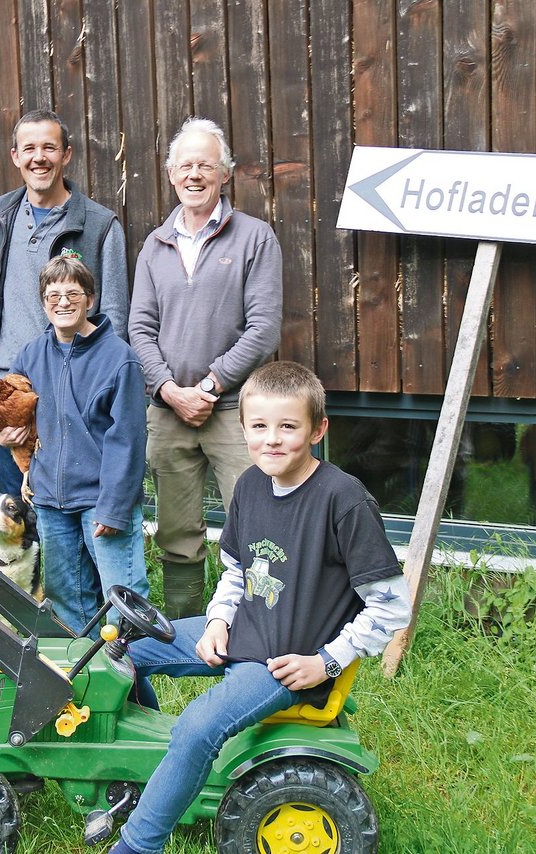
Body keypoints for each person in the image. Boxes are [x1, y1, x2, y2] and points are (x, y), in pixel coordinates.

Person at [107, 361, 411, 854]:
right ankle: (149, 777)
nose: (272, 440)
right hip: (242, 631)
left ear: (318, 429)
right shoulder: (249, 485)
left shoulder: (343, 500)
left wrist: (327, 662)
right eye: (259, 426)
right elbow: (235, 570)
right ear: (243, 427)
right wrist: (217, 621)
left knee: (198, 726)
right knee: (117, 652)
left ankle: (138, 844)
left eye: (288, 427)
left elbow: (392, 607)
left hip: (284, 663)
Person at [128, 117, 283, 619]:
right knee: (177, 530)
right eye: (186, 165)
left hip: (235, 411)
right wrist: (172, 391)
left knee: (258, 524)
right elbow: (139, 330)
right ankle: (185, 631)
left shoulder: (255, 238)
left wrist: (210, 385)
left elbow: (264, 329)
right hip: (168, 412)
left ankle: (262, 625)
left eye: (206, 165)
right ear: (171, 174)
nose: (195, 174)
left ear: (225, 174)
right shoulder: (155, 246)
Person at [0, 256, 148, 633]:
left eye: (72, 294)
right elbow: (15, 414)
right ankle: (83, 681)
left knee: (122, 598)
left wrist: (114, 508)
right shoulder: (31, 355)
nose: (62, 302)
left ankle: (133, 680)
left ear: (91, 300)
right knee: (66, 598)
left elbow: (127, 441)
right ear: (43, 301)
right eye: (53, 295)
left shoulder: (119, 359)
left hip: (102, 501)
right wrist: (8, 437)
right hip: (50, 501)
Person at [0, 109, 130, 496]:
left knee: (72, 507)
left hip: (69, 387)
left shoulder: (99, 225)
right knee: (16, 507)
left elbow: (114, 314)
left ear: (66, 154)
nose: (39, 157)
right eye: (29, 148)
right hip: (9, 387)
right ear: (15, 156)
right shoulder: (0, 215)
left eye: (49, 147)